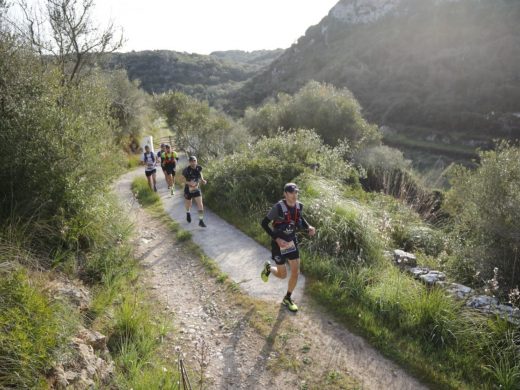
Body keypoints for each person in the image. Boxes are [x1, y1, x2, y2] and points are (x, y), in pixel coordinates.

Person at [260, 183, 316, 312]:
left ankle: (287, 298)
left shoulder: (299, 206)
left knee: (296, 272)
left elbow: (299, 217)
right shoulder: (278, 208)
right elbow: (264, 223)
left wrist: (308, 227)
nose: (294, 195)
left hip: (291, 242)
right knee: (282, 275)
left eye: (296, 192)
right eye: (291, 192)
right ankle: (268, 268)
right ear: (285, 194)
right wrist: (277, 239)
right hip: (278, 244)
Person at [182, 156, 207, 227]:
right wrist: (189, 183)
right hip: (188, 189)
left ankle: (201, 220)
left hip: (196, 188)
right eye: (191, 161)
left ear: (196, 161)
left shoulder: (199, 168)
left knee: (200, 204)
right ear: (189, 162)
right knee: (189, 204)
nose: (193, 163)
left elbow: (200, 173)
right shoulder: (186, 170)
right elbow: (182, 179)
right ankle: (188, 213)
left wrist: (202, 180)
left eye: (194, 161)